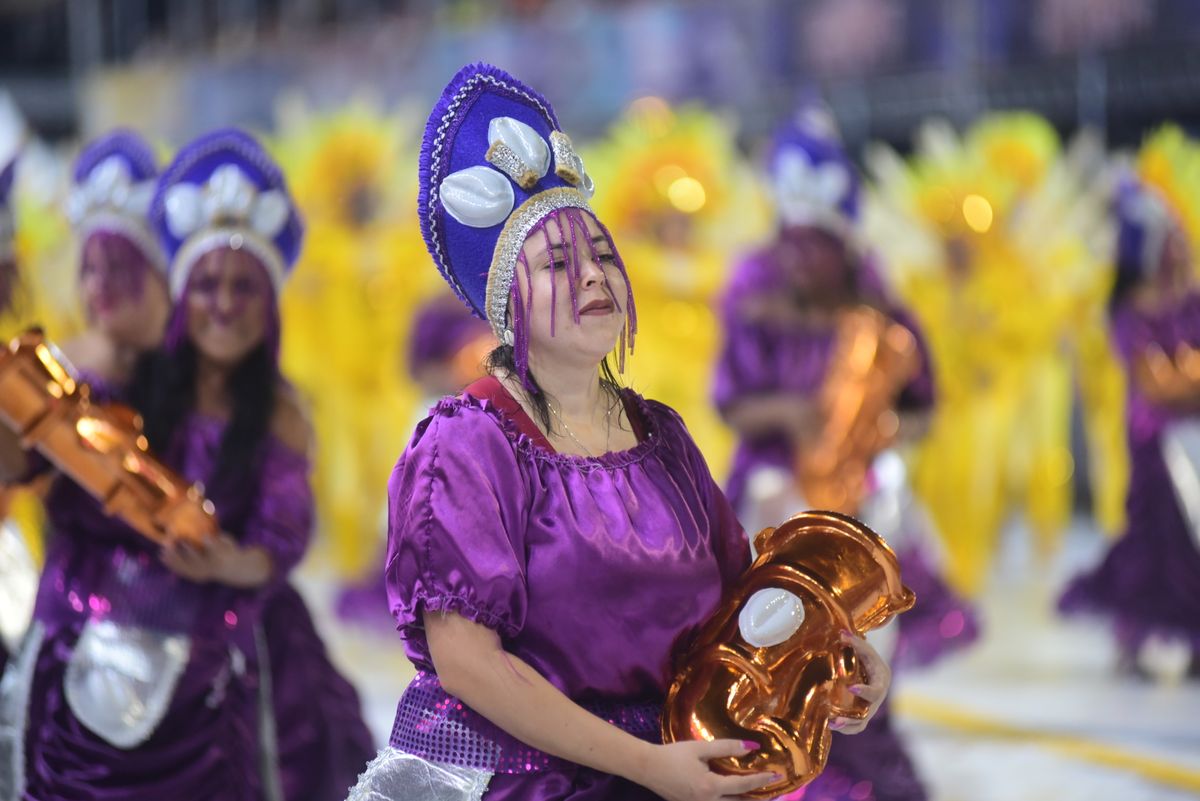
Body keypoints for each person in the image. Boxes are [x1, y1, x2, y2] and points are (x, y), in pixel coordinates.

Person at [346, 63, 891, 801]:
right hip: (532, 783)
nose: (593, 275)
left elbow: (740, 605)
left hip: (673, 770)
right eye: (558, 263)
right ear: (509, 299)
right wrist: (642, 764)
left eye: (601, 254)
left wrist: (835, 662)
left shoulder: (659, 436)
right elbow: (467, 663)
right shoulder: (467, 444)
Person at [0, 128, 369, 800]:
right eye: (205, 285)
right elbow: (28, 461)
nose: (223, 303)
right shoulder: (119, 379)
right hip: (83, 651)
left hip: (216, 669)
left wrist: (236, 562)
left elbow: (282, 530)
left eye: (242, 287)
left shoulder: (278, 410)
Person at [713, 108, 976, 801]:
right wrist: (792, 415)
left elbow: (922, 404)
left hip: (860, 501)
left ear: (844, 245)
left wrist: (874, 431)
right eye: (789, 241)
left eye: (815, 244)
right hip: (777, 499)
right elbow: (731, 400)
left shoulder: (878, 312)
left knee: (860, 656)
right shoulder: (755, 298)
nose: (798, 257)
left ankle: (859, 776)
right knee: (775, 649)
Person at [1059, 146, 1200, 680]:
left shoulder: (1193, 303)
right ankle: (1133, 637)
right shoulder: (1129, 313)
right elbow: (1153, 385)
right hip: (1153, 444)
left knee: (1194, 547)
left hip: (1194, 442)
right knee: (1154, 543)